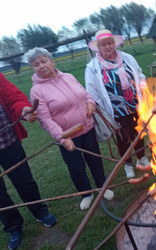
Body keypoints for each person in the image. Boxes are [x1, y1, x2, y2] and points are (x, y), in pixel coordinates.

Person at [25, 48, 114, 211]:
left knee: (95, 159)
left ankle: (102, 187)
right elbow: (45, 119)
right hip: (67, 135)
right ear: (33, 68)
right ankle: (86, 194)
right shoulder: (36, 91)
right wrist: (62, 138)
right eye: (36, 64)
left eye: (44, 61)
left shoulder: (69, 77)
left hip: (87, 127)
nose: (41, 66)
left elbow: (86, 94)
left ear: (52, 61)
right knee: (76, 166)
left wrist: (90, 103)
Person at [0, 73, 56, 250]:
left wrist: (23, 110)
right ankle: (13, 226)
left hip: (9, 141)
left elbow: (14, 98)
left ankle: (39, 211)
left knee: (24, 180)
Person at [85, 29, 151, 179]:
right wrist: (102, 111)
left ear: (114, 44)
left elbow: (139, 75)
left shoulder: (127, 58)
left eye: (110, 43)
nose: (107, 47)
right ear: (98, 48)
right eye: (103, 45)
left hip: (134, 104)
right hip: (114, 109)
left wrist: (143, 89)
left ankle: (141, 158)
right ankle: (128, 164)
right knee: (123, 138)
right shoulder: (92, 67)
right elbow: (92, 90)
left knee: (138, 133)